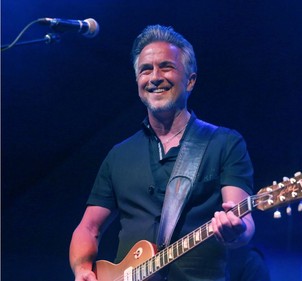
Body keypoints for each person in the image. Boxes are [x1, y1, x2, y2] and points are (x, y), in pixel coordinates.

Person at [69, 24, 270, 281]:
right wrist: (82, 269)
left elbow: (244, 221)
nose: (154, 77)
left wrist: (236, 230)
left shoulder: (224, 143)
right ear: (138, 82)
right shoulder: (118, 156)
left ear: (190, 80)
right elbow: (88, 228)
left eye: (166, 67)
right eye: (145, 70)